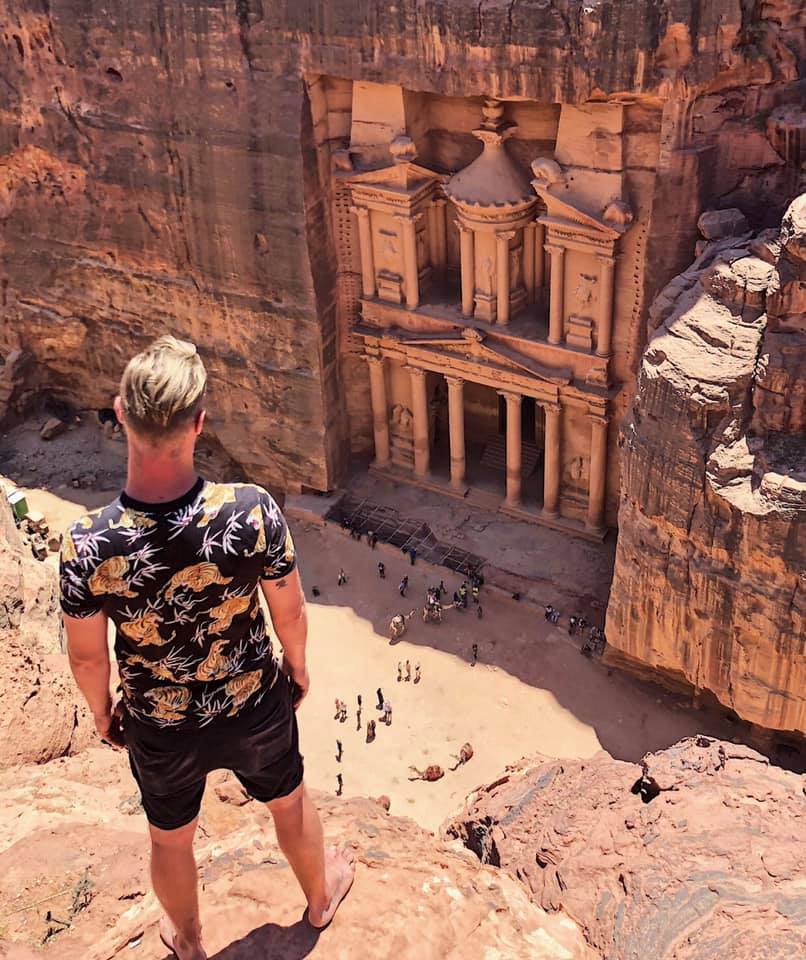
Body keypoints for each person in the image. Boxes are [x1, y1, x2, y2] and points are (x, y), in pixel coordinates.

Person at [59, 337, 353, 960]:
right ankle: (321, 900)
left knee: (170, 840)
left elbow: (88, 657)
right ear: (198, 422)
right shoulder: (249, 511)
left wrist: (103, 712)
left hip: (159, 723)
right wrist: (297, 671)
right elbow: (291, 611)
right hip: (252, 701)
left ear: (119, 413)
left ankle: (189, 942)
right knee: (290, 803)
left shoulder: (88, 544)